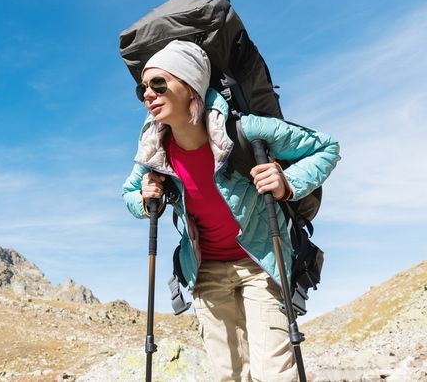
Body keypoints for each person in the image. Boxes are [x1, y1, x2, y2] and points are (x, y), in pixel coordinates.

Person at [122, 40, 340, 381]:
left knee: (274, 374)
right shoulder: (154, 146)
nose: (148, 93)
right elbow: (131, 194)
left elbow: (326, 148)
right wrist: (146, 198)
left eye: (159, 83)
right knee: (229, 375)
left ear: (191, 84)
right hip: (204, 270)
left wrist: (286, 181)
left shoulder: (244, 130)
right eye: (143, 88)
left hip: (261, 264)